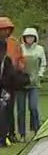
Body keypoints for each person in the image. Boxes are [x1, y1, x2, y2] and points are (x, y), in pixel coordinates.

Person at [16, 27, 45, 140]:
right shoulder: (20, 49)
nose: (29, 39)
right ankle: (22, 134)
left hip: (34, 83)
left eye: (31, 37)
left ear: (35, 38)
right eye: (27, 37)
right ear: (24, 38)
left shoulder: (40, 49)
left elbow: (43, 63)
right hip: (21, 82)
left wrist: (40, 74)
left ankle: (37, 130)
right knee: (21, 109)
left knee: (33, 107)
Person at [0, 16, 25, 146]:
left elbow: (20, 58)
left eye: (7, 29)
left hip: (10, 81)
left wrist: (20, 66)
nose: (6, 32)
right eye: (3, 30)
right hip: (4, 81)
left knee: (8, 110)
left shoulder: (13, 42)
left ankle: (9, 135)